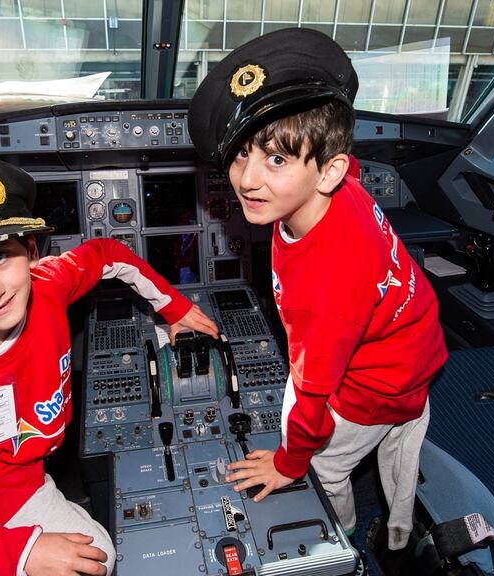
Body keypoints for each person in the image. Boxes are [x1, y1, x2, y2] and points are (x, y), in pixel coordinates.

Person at [0, 155, 218, 576]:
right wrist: (22, 553)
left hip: (24, 473)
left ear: (30, 252)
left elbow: (107, 254)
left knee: (99, 557)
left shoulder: (47, 286)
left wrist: (173, 308)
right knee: (90, 564)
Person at [188, 28, 448, 552]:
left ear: (326, 171)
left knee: (325, 465)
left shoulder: (324, 282)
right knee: (397, 444)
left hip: (372, 382)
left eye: (277, 160)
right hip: (413, 346)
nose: (248, 180)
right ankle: (398, 536)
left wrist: (289, 461)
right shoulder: (341, 186)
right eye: (241, 154)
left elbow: (311, 392)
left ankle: (344, 539)